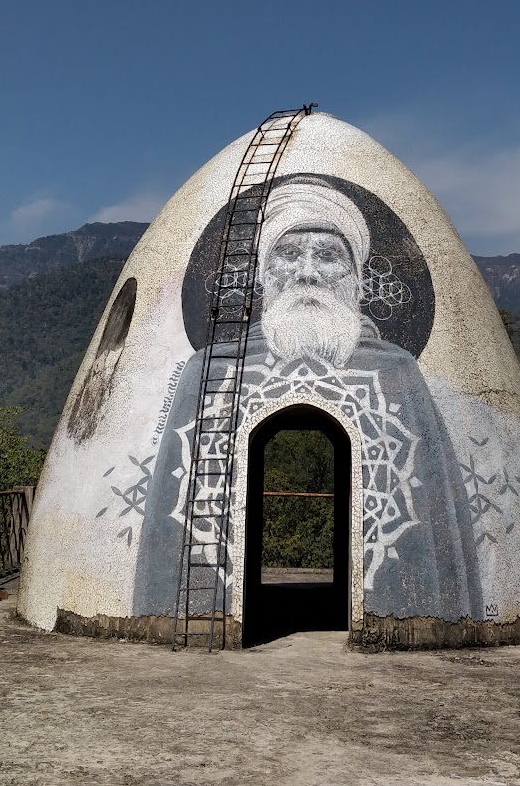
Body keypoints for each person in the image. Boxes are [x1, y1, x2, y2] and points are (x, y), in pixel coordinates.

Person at [131, 177, 482, 621]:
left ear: (357, 279)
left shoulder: (397, 372)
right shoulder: (210, 370)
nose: (307, 272)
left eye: (329, 256)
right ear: (264, 275)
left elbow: (431, 525)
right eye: (289, 253)